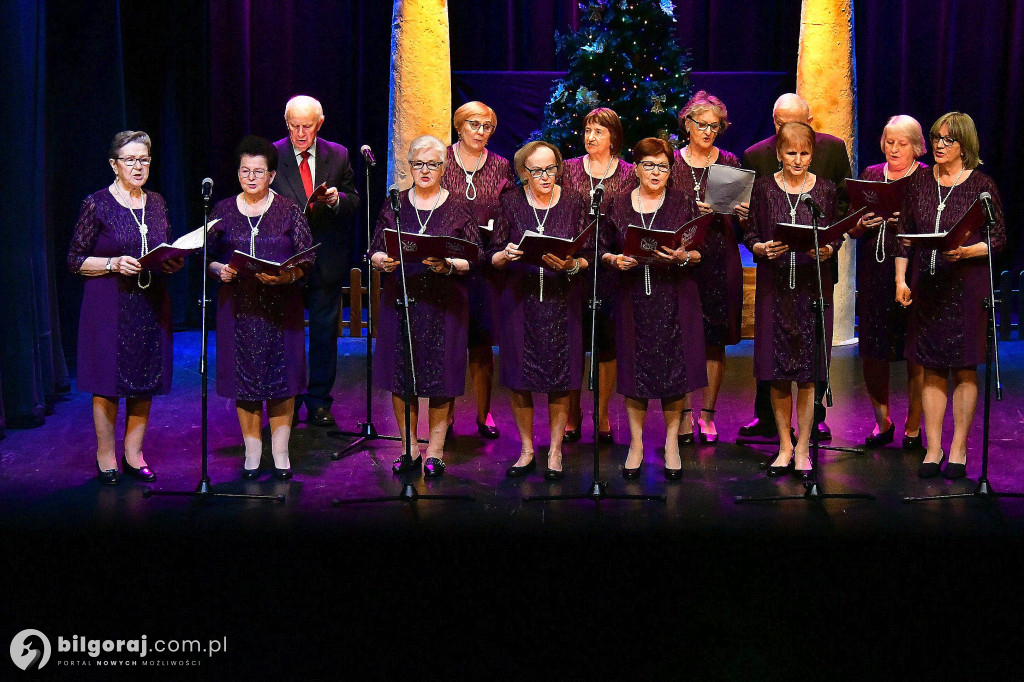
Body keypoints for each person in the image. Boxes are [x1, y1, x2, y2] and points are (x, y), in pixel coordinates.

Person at [67, 130, 184, 485]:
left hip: (149, 302)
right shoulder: (97, 203)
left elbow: (163, 245)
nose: (138, 166)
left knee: (144, 378)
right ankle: (106, 454)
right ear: (114, 165)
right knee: (107, 380)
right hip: (108, 305)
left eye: (144, 159)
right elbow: (74, 260)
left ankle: (134, 454)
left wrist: (172, 262)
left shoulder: (157, 202)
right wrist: (111, 263)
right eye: (130, 160)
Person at [895, 112, 1005, 479]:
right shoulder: (920, 182)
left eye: (948, 140)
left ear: (965, 146)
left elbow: (999, 238)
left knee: (964, 368)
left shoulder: (981, 186)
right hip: (928, 287)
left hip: (965, 289)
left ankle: (958, 448)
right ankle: (933, 447)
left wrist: (967, 251)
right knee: (931, 369)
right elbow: (905, 236)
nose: (940, 145)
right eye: (936, 138)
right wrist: (900, 280)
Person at [739, 93, 852, 442]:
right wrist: (758, 245)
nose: (798, 158)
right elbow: (751, 227)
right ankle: (781, 438)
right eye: (791, 151)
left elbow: (839, 221)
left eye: (804, 152)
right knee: (774, 364)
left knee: (809, 364)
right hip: (775, 283)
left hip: (810, 282)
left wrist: (830, 246)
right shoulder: (760, 174)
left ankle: (807, 436)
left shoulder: (827, 183)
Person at [369, 135, 480, 478]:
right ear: (410, 167)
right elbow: (374, 248)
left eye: (433, 163)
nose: (425, 170)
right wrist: (380, 262)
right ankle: (407, 448)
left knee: (441, 375)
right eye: (419, 163)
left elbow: (473, 256)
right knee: (402, 376)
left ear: (445, 168)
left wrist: (449, 264)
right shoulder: (396, 204)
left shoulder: (459, 206)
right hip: (402, 299)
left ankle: (435, 449)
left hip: (444, 304)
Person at [208, 136, 314, 480]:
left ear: (271, 175)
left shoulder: (288, 209)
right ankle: (252, 451)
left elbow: (307, 258)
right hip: (237, 307)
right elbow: (204, 254)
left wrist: (288, 276)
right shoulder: (222, 209)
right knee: (245, 379)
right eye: (244, 171)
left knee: (282, 379)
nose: (251, 177)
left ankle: (280, 451)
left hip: (281, 306)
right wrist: (218, 269)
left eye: (258, 172)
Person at [600, 137, 707, 480]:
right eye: (649, 165)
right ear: (636, 167)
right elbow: (600, 248)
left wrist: (683, 256)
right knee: (634, 370)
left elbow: (699, 252)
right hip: (633, 296)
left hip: (675, 295)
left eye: (663, 166)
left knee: (675, 370)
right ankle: (636, 444)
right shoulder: (617, 203)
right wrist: (615, 259)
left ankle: (672, 442)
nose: (656, 172)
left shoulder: (682, 201)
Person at [490, 141, 591, 480]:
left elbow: (589, 251)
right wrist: (505, 254)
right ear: (523, 174)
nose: (546, 176)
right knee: (520, 378)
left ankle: (556, 449)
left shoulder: (575, 201)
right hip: (520, 301)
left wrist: (572, 263)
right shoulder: (510, 202)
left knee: (560, 379)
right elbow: (492, 253)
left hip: (563, 303)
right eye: (537, 171)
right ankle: (527, 448)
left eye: (551, 168)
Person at [271, 95, 360, 427]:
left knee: (324, 334)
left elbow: (354, 200)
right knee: (287, 333)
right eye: (293, 126)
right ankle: (288, 401)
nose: (299, 133)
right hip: (287, 260)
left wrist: (337, 199)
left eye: (306, 126)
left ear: (319, 124)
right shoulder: (273, 153)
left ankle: (320, 401)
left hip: (326, 258)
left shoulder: (337, 155)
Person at [671, 91, 747, 444]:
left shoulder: (729, 160)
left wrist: (741, 211)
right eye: (701, 125)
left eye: (715, 127)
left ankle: (709, 414)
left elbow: (742, 210)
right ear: (687, 124)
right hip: (683, 256)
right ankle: (684, 413)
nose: (707, 132)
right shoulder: (671, 162)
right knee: (684, 335)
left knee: (716, 338)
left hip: (720, 253)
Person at [560, 107, 636, 445]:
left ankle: (602, 413)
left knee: (606, 344)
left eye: (599, 131)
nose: (591, 137)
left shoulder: (630, 173)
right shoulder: (569, 170)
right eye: (588, 130)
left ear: (613, 138)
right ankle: (573, 414)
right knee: (574, 342)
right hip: (573, 266)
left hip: (612, 269)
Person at [440, 101, 515, 440]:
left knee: (481, 344)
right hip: (447, 266)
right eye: (473, 124)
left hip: (486, 266)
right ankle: (447, 416)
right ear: (459, 126)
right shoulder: (441, 158)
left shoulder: (500, 166)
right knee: (449, 343)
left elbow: (511, 210)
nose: (480, 131)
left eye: (487, 126)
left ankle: (484, 415)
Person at [852, 115, 927, 449]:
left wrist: (909, 223)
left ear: (916, 145)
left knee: (915, 350)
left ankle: (914, 426)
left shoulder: (926, 177)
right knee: (873, 350)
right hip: (874, 269)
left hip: (915, 271)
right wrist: (862, 223)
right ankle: (882, 421)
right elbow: (851, 228)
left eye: (903, 143)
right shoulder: (870, 174)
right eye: (890, 142)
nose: (894, 149)